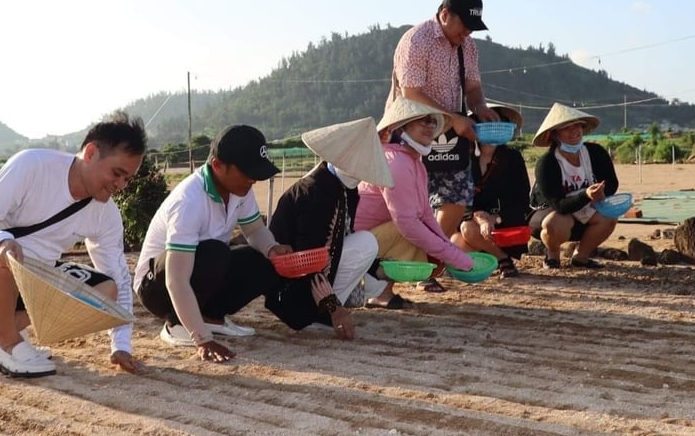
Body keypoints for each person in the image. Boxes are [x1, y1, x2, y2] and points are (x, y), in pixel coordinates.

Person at [0, 112, 148, 379]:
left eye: (128, 179)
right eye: (117, 173)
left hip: (32, 278)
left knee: (106, 289)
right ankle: (8, 346)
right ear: (91, 153)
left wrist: (121, 345)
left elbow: (118, 275)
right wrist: (1, 241)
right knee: (4, 253)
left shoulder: (106, 214)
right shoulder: (32, 165)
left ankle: (5, 326)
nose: (120, 185)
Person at [134, 124, 291, 363]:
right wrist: (202, 339)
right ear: (218, 166)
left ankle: (210, 316)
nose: (253, 180)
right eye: (248, 171)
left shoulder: (242, 190)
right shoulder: (189, 200)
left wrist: (273, 248)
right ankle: (177, 325)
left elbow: (255, 229)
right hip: (157, 287)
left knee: (264, 261)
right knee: (215, 252)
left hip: (199, 269)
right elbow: (175, 280)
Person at [388, 0, 501, 248]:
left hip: (451, 131)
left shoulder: (468, 46)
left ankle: (429, 259)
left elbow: (472, 89)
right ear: (445, 14)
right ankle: (410, 260)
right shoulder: (417, 40)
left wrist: (480, 107)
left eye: (473, 27)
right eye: (465, 24)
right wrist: (454, 118)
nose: (468, 32)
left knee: (457, 198)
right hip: (409, 131)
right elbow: (411, 94)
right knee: (413, 202)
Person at [267, 117, 393, 339]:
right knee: (365, 243)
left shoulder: (345, 187)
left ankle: (332, 304)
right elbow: (308, 257)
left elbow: (340, 240)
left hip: (316, 267)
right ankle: (318, 313)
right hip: (290, 286)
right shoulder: (315, 191)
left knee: (365, 243)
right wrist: (331, 306)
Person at [354, 97, 474, 306]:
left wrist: (452, 253)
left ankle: (378, 288)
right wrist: (458, 259)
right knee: (410, 231)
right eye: (422, 120)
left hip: (368, 239)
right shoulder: (396, 163)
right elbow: (408, 223)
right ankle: (374, 285)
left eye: (432, 121)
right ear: (401, 127)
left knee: (420, 230)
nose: (429, 126)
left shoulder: (414, 162)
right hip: (354, 244)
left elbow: (427, 214)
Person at [528, 103, 620, 269]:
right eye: (566, 128)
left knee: (609, 217)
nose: (574, 131)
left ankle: (581, 256)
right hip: (553, 212)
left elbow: (612, 183)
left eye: (577, 125)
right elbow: (559, 205)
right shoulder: (547, 163)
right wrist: (586, 195)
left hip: (586, 207)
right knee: (553, 223)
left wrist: (601, 193)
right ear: (554, 134)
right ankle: (553, 254)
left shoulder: (595, 153)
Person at [453, 104, 531, 277]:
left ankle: (502, 259)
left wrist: (494, 218)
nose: (493, 126)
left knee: (468, 233)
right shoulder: (462, 157)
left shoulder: (513, 158)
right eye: (486, 121)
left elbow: (521, 200)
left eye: (498, 121)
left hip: (503, 223)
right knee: (460, 239)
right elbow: (455, 196)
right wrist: (479, 217)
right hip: (471, 223)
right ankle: (499, 257)